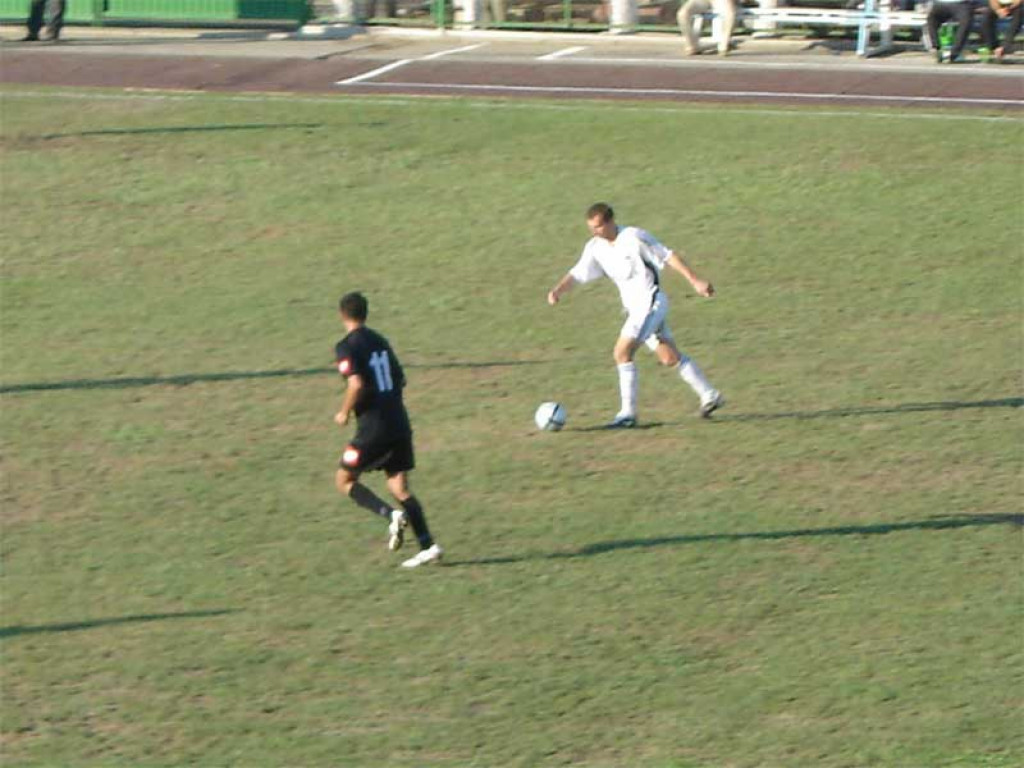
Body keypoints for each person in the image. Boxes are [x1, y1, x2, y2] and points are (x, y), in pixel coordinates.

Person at [546, 203, 724, 429]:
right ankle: (710, 394)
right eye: (591, 227)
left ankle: (627, 414)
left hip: (651, 302)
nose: (594, 231)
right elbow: (578, 273)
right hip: (635, 310)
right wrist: (558, 290)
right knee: (669, 357)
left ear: (611, 222)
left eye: (598, 226)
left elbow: (668, 256)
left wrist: (695, 281)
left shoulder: (634, 237)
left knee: (621, 352)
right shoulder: (595, 248)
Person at [333, 292, 442, 568]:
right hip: (399, 423)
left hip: (373, 430)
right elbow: (400, 379)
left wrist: (344, 412)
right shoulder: (381, 341)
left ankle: (390, 515)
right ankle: (428, 546)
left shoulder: (346, 346)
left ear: (342, 315)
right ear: (365, 313)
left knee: (344, 480)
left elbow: (355, 384)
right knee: (399, 487)